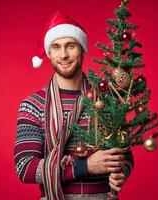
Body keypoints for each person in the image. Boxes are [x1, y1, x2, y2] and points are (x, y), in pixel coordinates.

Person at [14, 11, 134, 200]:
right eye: (56, 47)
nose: (63, 54)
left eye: (70, 46)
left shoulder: (106, 100)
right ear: (49, 52)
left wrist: (121, 172)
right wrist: (84, 167)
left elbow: (126, 156)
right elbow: (25, 167)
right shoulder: (32, 105)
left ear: (82, 49)